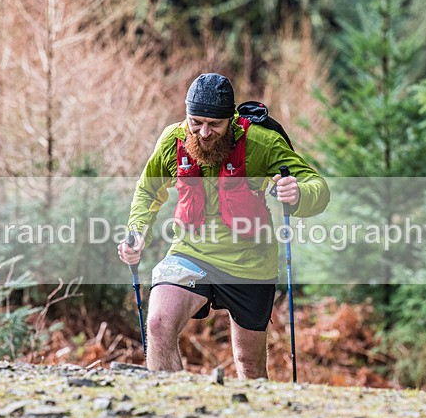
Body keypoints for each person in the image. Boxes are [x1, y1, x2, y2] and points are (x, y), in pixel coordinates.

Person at [118, 73, 329, 379]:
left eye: (214, 124)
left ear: (230, 120)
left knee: (248, 363)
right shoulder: (173, 141)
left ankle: (254, 409)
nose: (204, 133)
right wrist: (137, 231)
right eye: (196, 122)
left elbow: (317, 187)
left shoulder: (261, 143)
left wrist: (298, 194)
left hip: (250, 263)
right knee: (158, 324)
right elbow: (148, 190)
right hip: (190, 253)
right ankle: (172, 404)